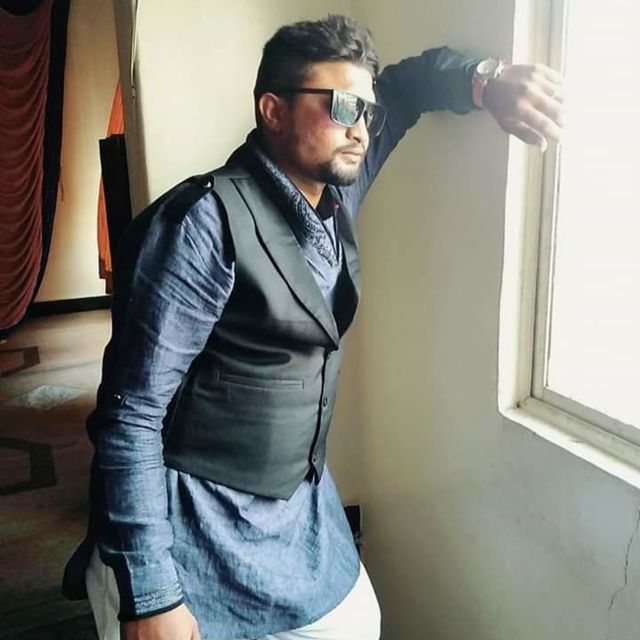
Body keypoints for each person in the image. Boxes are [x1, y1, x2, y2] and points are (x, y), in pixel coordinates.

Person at [62, 14, 564, 640]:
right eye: (342, 106)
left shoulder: (335, 189)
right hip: (194, 515)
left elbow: (406, 87)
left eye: (365, 111)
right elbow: (131, 414)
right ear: (273, 111)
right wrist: (152, 595)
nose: (360, 127)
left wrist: (486, 82)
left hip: (297, 505)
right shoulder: (200, 226)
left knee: (359, 624)